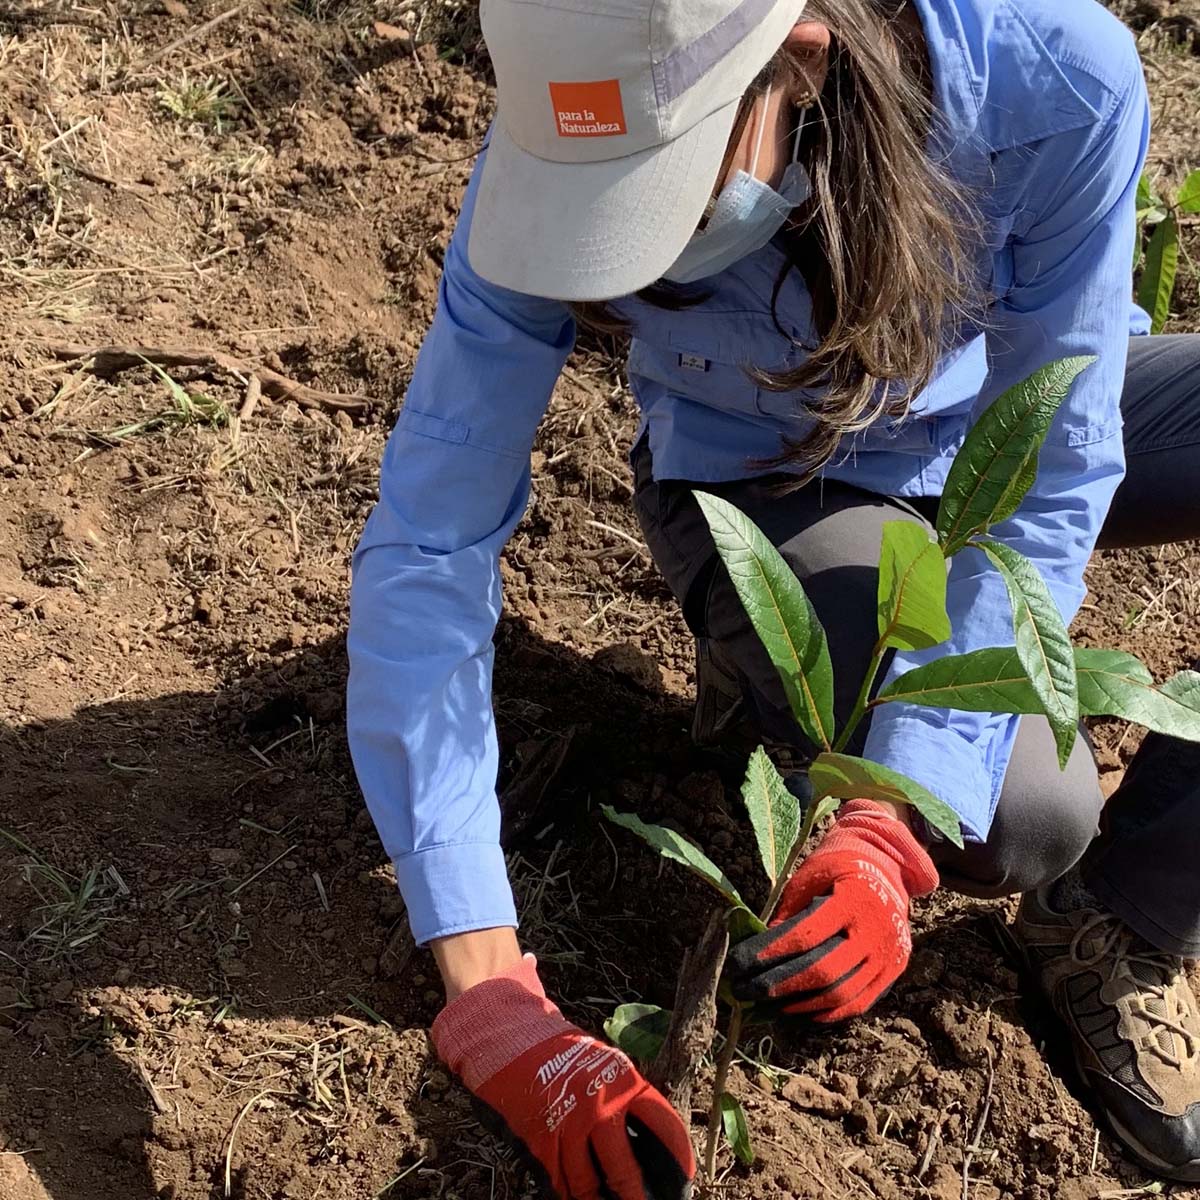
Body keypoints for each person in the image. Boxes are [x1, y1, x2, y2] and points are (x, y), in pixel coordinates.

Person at [346, 0, 1200, 1193]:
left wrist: (894, 813)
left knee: (977, 800)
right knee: (1024, 814)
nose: (655, 241)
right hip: (767, 473)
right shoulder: (556, 140)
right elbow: (430, 539)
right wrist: (489, 992)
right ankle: (783, 634)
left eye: (675, 192)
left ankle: (1128, 917)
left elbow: (1051, 458)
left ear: (800, 56)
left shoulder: (1053, 79)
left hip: (982, 415)